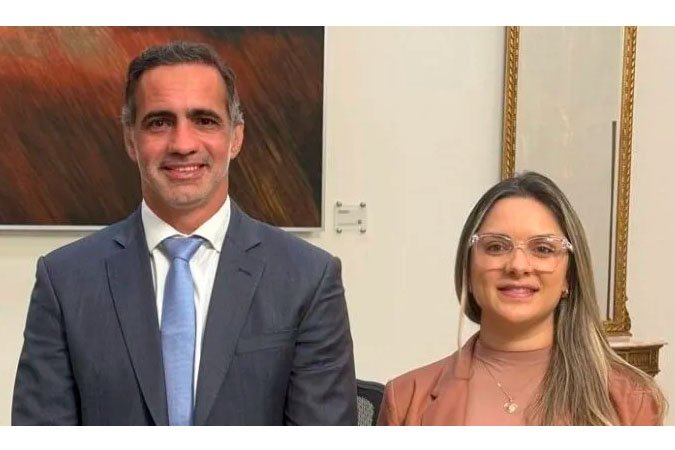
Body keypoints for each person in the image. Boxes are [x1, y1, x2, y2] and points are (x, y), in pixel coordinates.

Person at [12, 41, 356, 425]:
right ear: (130, 139)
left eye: (204, 120)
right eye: (159, 122)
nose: (182, 144)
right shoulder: (65, 280)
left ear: (236, 137)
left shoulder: (308, 278)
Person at [378, 171, 666, 425]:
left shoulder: (631, 401)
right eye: (496, 246)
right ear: (468, 268)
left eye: (542, 249)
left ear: (569, 276)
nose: (517, 266)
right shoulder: (405, 399)